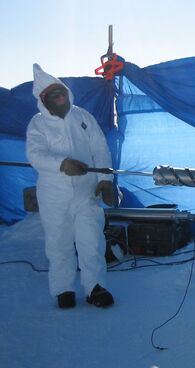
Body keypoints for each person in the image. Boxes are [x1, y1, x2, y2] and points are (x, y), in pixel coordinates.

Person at [26, 64, 115, 309]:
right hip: (54, 196)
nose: (59, 97)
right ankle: (63, 288)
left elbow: (99, 149)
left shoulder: (83, 117)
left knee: (91, 241)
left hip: (86, 193)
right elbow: (35, 155)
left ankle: (95, 287)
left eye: (60, 91)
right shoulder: (37, 125)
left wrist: (105, 181)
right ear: (44, 100)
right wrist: (61, 164)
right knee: (58, 243)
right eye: (53, 95)